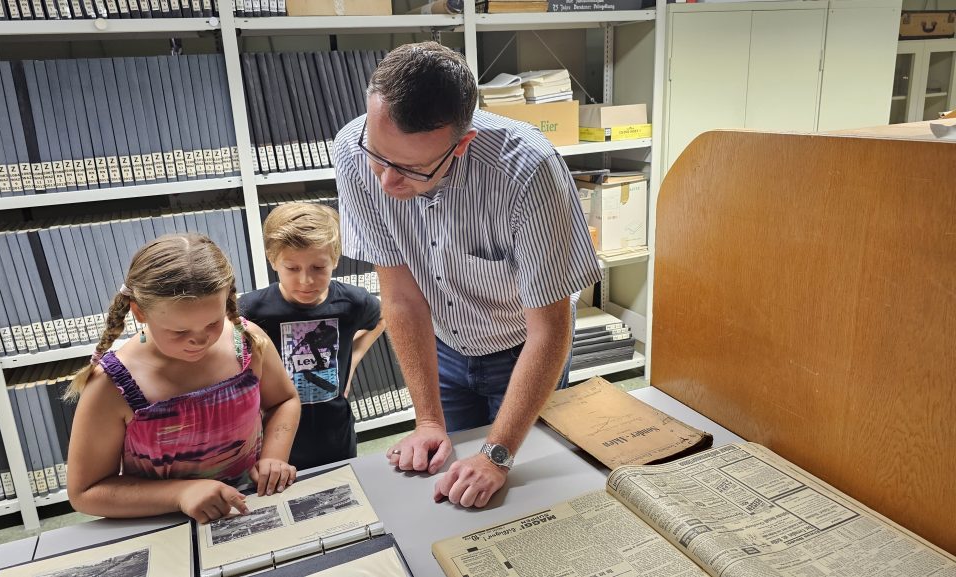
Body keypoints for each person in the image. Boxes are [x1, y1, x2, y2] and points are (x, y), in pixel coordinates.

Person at [332, 41, 603, 509]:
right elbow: (400, 298)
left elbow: (550, 328)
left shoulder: (527, 170)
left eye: (411, 168)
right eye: (379, 155)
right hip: (442, 346)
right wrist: (427, 421)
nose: (386, 182)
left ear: (461, 144)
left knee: (521, 494)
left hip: (522, 349)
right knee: (451, 489)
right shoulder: (353, 150)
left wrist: (497, 456)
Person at [65, 233, 301, 525]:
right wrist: (181, 493)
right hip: (163, 520)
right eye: (178, 332)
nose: (199, 340)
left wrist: (274, 457)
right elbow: (85, 491)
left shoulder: (248, 342)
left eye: (213, 322)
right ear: (140, 312)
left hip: (251, 504)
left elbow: (284, 401)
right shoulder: (110, 386)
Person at [240, 203, 385, 471]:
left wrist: (353, 358)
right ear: (273, 260)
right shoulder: (251, 310)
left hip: (336, 433)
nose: (306, 280)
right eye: (292, 268)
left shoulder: (353, 302)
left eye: (318, 267)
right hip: (274, 439)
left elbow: (383, 318)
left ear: (336, 260)